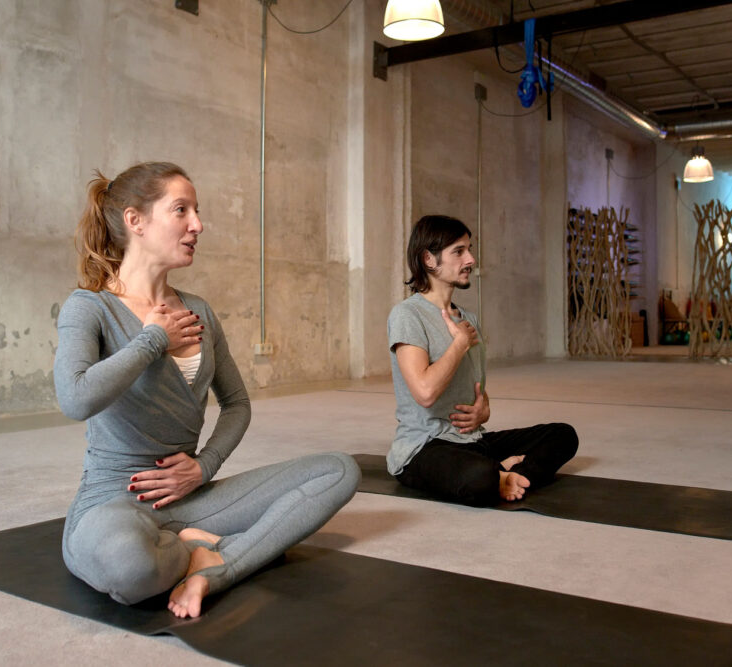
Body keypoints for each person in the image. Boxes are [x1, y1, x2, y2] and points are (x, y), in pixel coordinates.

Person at [54, 162, 359, 619]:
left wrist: (203, 467)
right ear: (136, 221)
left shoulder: (198, 310)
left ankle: (214, 563)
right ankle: (202, 547)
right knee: (129, 567)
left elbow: (236, 404)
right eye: (182, 210)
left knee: (338, 471)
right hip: (115, 498)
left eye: (196, 211)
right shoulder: (90, 307)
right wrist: (153, 340)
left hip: (191, 497)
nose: (198, 224)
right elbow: (75, 398)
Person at [386, 215, 578, 507]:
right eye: (459, 251)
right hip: (425, 447)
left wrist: (483, 408)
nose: (470, 259)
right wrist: (459, 344)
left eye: (469, 249)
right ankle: (499, 473)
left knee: (564, 435)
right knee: (477, 476)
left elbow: (474, 385)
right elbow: (424, 392)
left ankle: (508, 476)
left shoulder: (468, 319)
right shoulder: (407, 315)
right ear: (429, 259)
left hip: (473, 441)